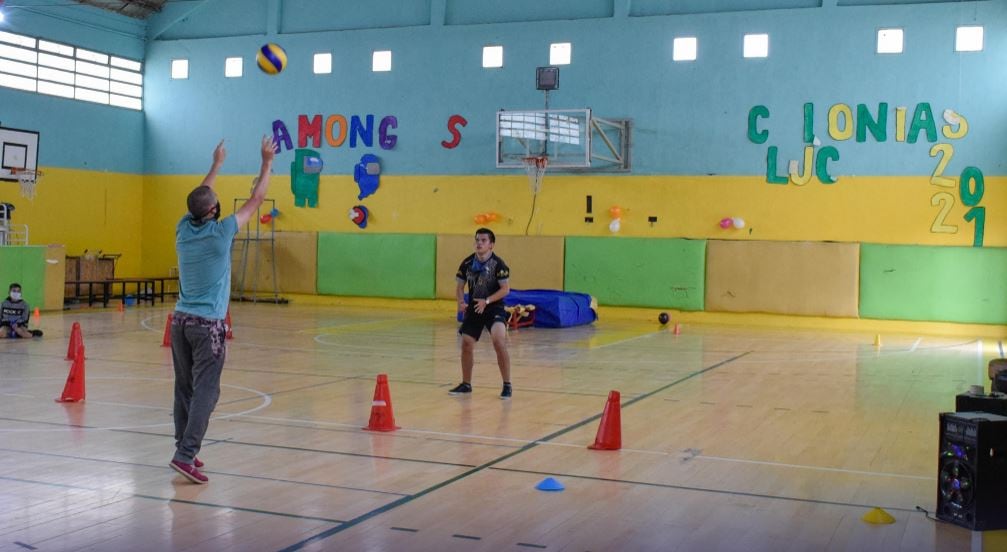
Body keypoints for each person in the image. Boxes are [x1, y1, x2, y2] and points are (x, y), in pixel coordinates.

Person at [169, 136, 275, 484]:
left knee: (184, 386)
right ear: (214, 211)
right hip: (207, 326)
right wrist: (266, 162)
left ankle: (184, 449)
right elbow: (257, 199)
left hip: (180, 321)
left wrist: (216, 164)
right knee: (206, 391)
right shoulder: (222, 232)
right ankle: (186, 454)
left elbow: (200, 195)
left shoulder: (183, 229)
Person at [449, 228, 513, 399]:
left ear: (491, 244)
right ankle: (466, 384)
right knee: (466, 344)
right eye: (477, 240)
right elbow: (459, 287)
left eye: (483, 240)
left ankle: (507, 385)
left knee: (499, 341)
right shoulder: (467, 263)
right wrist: (461, 302)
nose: (479, 243)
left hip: (494, 308)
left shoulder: (499, 265)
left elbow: (505, 289)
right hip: (475, 308)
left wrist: (488, 301)